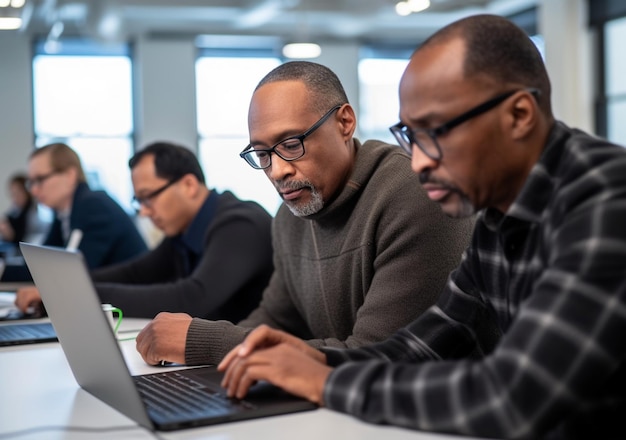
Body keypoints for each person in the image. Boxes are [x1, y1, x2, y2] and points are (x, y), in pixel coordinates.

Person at [217, 15, 626, 440]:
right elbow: (421, 345)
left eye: (436, 132)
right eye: (411, 135)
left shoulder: (607, 200)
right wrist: (313, 363)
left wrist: (325, 383)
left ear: (519, 115)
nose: (419, 161)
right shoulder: (497, 215)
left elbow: (514, 396)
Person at [134, 61, 474, 367]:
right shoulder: (290, 215)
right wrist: (205, 353)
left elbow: (376, 354)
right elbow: (276, 319)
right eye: (263, 153)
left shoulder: (412, 194)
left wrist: (203, 343)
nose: (278, 170)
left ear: (345, 122)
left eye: (292, 144)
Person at [16, 141, 274, 322]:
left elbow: (192, 298)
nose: (144, 211)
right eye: (139, 201)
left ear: (188, 185)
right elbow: (135, 273)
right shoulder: (182, 231)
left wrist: (72, 293)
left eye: (148, 197)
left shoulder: (239, 224)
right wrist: (63, 285)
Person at [4, 143, 147, 284]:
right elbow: (40, 266)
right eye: (31, 183)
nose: (34, 191)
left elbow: (72, 275)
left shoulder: (94, 206)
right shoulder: (63, 213)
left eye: (40, 180)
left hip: (134, 299)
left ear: (70, 175)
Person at [0, 173, 49, 245]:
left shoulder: (36, 213)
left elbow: (28, 241)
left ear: (26, 192)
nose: (15, 197)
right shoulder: (15, 211)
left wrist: (11, 234)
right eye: (13, 194)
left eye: (17, 193)